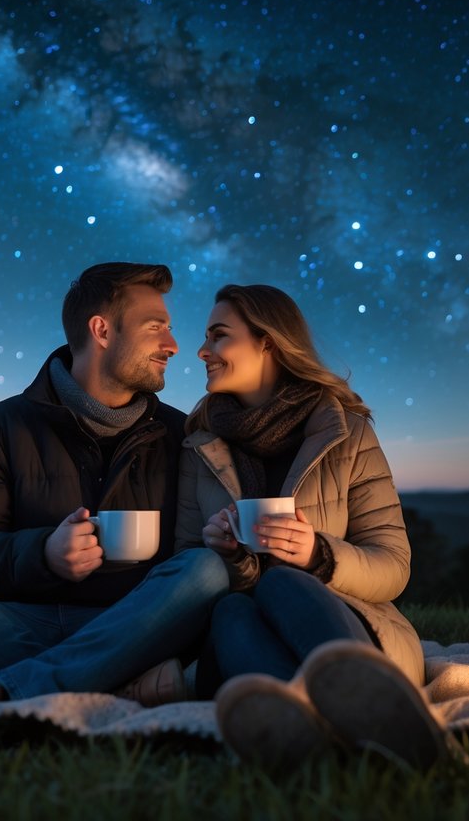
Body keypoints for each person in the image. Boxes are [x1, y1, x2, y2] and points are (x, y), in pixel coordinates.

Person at [0, 262, 228, 707]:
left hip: (134, 621)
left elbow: (185, 563)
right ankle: (114, 682)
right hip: (19, 621)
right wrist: (43, 553)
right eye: (155, 327)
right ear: (102, 331)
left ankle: (5, 688)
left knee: (206, 571)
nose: (174, 345)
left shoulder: (179, 434)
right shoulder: (2, 425)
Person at [174, 284, 447, 769]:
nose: (201, 351)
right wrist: (227, 557)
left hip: (342, 623)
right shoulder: (200, 445)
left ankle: (353, 710)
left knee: (283, 579)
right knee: (234, 609)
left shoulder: (348, 434)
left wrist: (319, 555)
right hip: (238, 637)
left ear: (268, 343)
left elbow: (394, 565)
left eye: (218, 336)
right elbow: (181, 568)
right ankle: (348, 729)